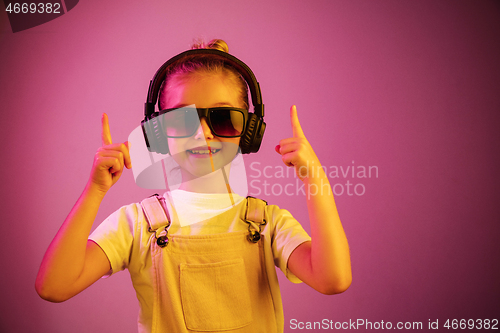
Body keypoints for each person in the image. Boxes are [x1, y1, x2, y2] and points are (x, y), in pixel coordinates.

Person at [36, 39, 352, 333]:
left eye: (224, 118)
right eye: (182, 120)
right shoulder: (136, 226)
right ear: (157, 132)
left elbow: (333, 279)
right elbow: (54, 286)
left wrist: (316, 180)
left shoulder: (268, 223)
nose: (202, 133)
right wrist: (96, 190)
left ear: (249, 130)